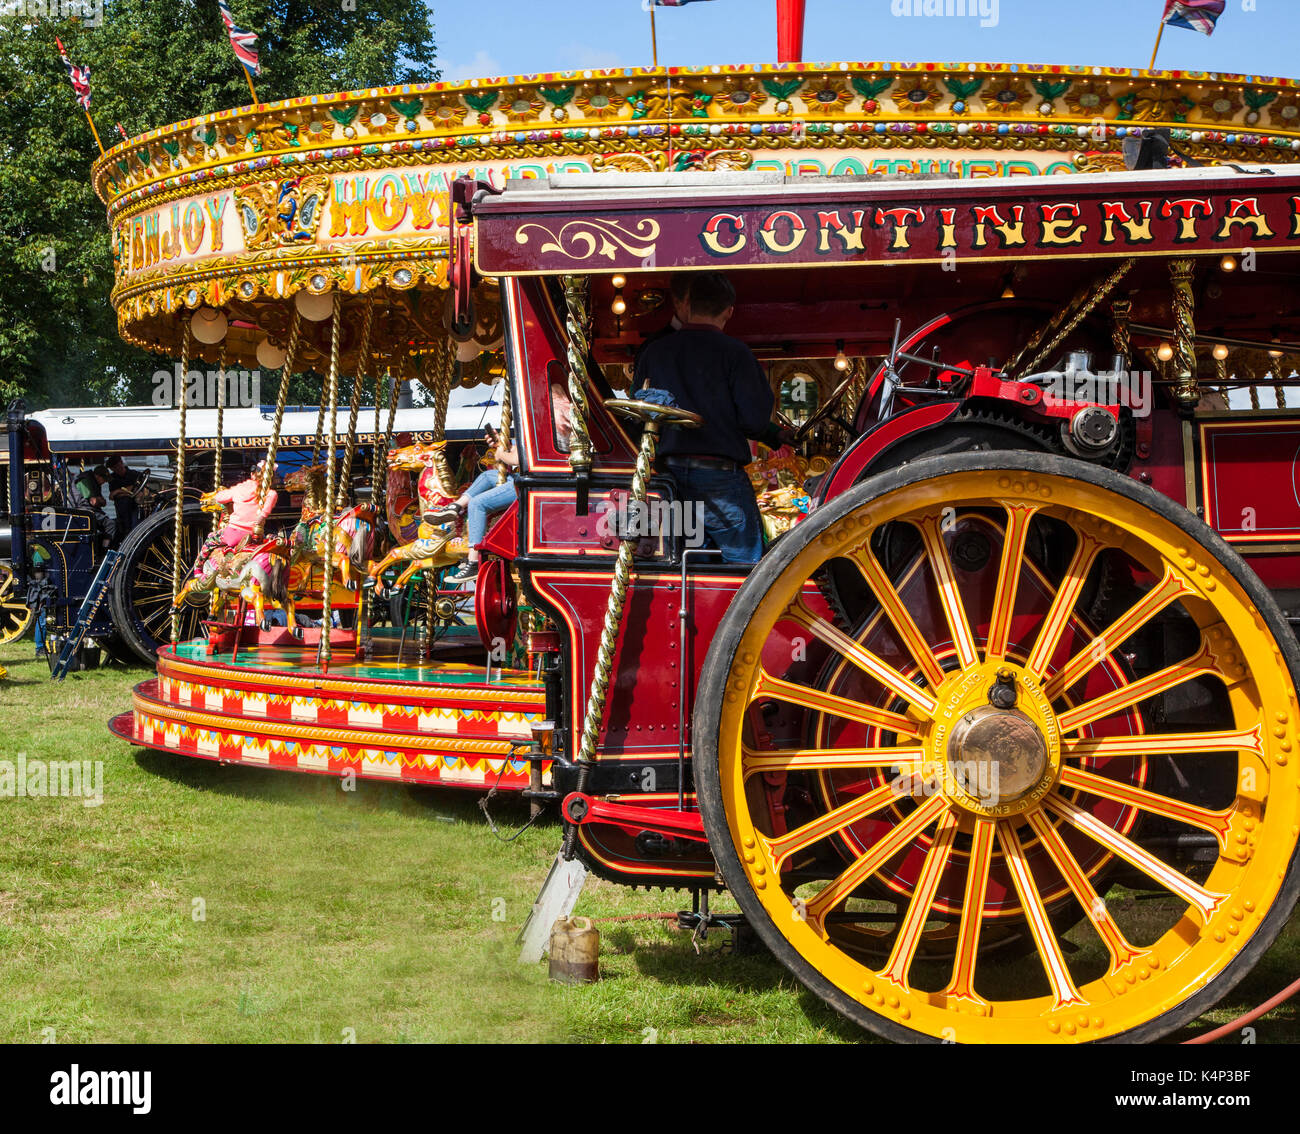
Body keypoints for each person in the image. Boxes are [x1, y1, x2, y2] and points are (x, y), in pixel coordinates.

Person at [633, 271, 788, 564]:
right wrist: (771, 432)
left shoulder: (656, 352)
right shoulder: (736, 354)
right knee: (746, 571)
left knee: (688, 566)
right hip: (721, 480)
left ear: (688, 304)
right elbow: (753, 421)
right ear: (729, 310)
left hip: (670, 478)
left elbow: (639, 411)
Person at [441, 428, 518, 585]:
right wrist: (503, 444)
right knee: (486, 475)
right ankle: (456, 506)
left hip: (530, 483)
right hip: (527, 478)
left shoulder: (539, 425)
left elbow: (519, 459)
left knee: (478, 504)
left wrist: (501, 454)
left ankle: (474, 562)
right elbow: (523, 452)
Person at [107, 455, 144, 543]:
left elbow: (139, 492)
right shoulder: (112, 478)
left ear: (121, 463)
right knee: (122, 531)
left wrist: (120, 491)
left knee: (134, 529)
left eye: (117, 466)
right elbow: (112, 496)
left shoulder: (135, 475)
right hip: (121, 511)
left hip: (135, 508)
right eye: (113, 468)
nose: (116, 469)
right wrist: (126, 491)